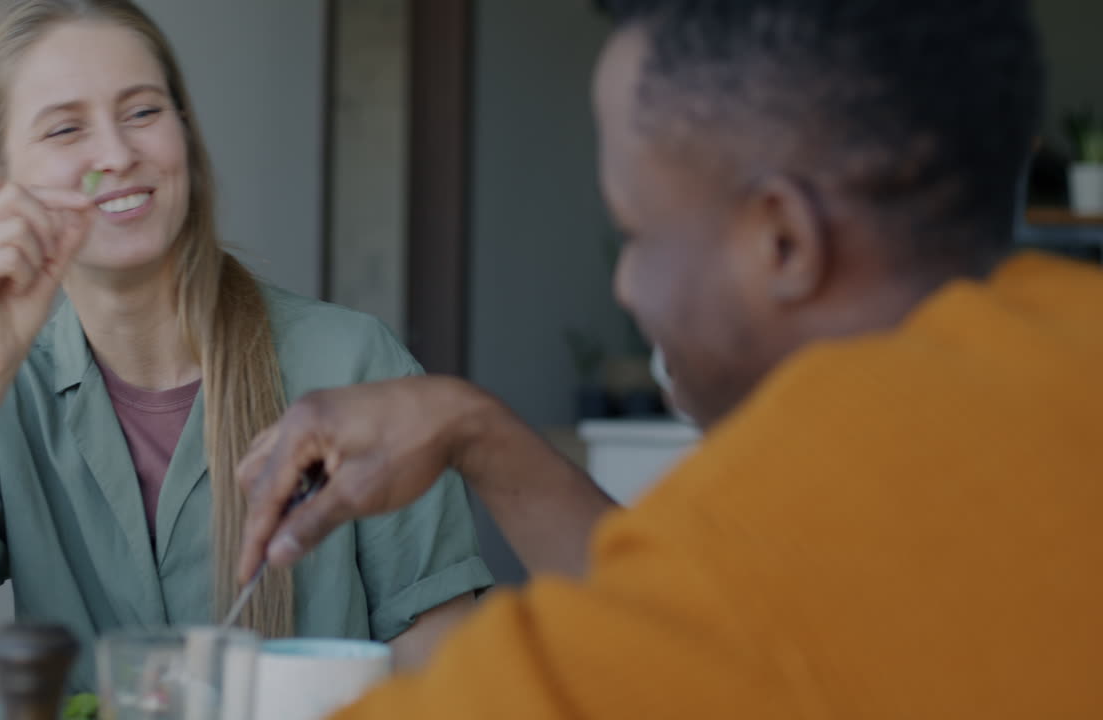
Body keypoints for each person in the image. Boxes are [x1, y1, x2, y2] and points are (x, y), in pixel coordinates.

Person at [236, 0, 1103, 717]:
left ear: (782, 240)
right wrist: (474, 430)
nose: (625, 285)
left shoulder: (769, 556)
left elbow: (706, 617)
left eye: (638, 234)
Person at [0, 0, 491, 693]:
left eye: (144, 112)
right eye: (66, 129)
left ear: (185, 132)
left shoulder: (356, 366)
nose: (117, 155)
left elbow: (447, 681)